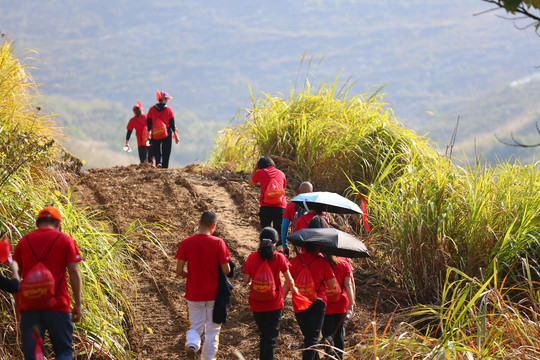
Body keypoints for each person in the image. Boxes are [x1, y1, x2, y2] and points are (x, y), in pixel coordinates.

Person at [13, 206, 83, 360]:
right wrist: (78, 304)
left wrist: (19, 306)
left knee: (33, 355)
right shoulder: (65, 240)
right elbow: (74, 271)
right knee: (63, 352)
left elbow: (15, 278)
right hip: (58, 307)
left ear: (37, 224)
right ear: (59, 224)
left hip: (30, 308)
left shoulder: (24, 242)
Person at [175, 211, 231, 360]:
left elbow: (178, 270)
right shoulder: (218, 242)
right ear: (214, 226)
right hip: (214, 294)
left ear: (199, 223)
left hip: (194, 293)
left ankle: (192, 345)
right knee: (212, 331)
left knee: (195, 326)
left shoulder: (186, 242)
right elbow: (227, 270)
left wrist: (190, 276)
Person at [284, 217, 336, 360]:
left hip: (299, 304)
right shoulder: (323, 262)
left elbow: (287, 284)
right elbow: (333, 285)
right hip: (317, 303)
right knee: (312, 339)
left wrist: (280, 301)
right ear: (319, 246)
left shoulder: (294, 262)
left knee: (309, 337)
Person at [242, 228, 298, 360]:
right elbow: (289, 279)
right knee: (271, 339)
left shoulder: (252, 257)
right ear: (275, 243)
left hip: (256, 304)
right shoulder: (279, 257)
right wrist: (295, 290)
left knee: (264, 335)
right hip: (274, 304)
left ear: (260, 241)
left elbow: (245, 280)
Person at [321, 254, 355, 359]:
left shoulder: (320, 263)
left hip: (325, 302)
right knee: (339, 332)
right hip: (341, 303)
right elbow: (348, 284)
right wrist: (352, 302)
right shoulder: (345, 263)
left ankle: (329, 355)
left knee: (327, 332)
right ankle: (339, 356)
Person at [249, 156, 287, 245]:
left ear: (260, 165)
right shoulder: (281, 173)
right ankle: (280, 252)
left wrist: (255, 169)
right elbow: (283, 188)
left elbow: (250, 182)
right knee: (279, 231)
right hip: (280, 207)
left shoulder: (260, 172)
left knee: (266, 231)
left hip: (266, 206)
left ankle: (266, 250)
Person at [147, 90, 179, 168]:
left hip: (155, 132)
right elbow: (172, 124)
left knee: (156, 150)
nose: (167, 101)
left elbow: (149, 123)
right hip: (167, 133)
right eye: (167, 99)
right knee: (166, 152)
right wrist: (176, 136)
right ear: (164, 100)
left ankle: (158, 162)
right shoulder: (169, 109)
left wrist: (149, 135)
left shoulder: (152, 109)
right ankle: (164, 168)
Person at [280, 181, 313, 256]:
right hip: (313, 240)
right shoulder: (316, 205)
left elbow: (284, 226)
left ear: (298, 191)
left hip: (297, 240)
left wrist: (284, 245)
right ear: (312, 192)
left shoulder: (292, 204)